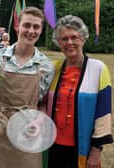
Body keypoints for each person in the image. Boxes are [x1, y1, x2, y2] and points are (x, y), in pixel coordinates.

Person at [0, 7, 54, 168]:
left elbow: (42, 102)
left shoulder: (46, 66)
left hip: (27, 134)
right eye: (26, 25)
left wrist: (39, 122)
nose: (31, 31)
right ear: (18, 26)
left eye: (36, 27)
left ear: (41, 30)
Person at [43, 15, 113, 168]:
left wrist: (96, 151)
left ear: (83, 38)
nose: (69, 43)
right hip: (52, 146)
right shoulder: (52, 69)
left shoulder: (98, 69)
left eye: (74, 37)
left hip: (83, 149)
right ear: (58, 42)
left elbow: (104, 113)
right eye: (64, 39)